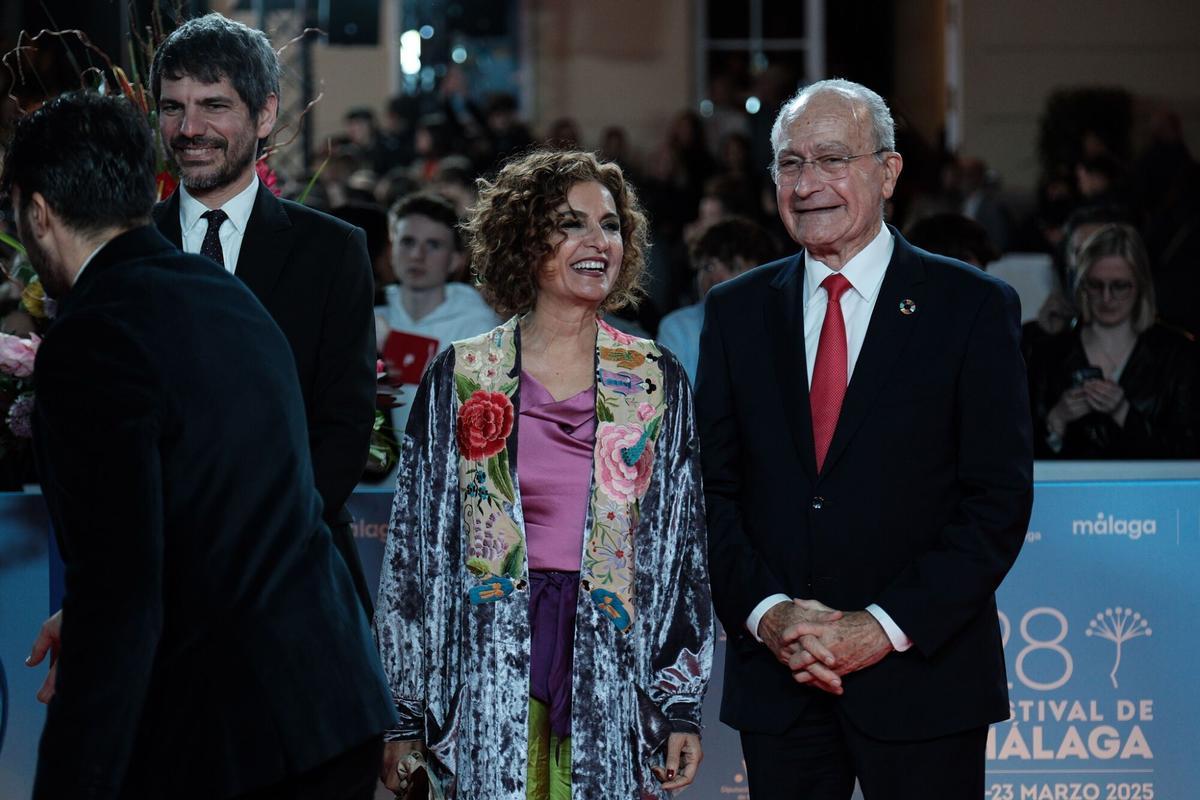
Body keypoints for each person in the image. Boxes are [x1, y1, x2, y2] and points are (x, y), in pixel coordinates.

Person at [6, 91, 396, 800]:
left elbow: (121, 595)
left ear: (36, 212)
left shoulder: (91, 337)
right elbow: (231, 508)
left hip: (239, 738)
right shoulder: (224, 295)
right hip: (331, 705)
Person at [695, 79, 1033, 799]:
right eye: (790, 164)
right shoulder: (735, 313)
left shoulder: (971, 308)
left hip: (923, 678)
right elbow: (710, 496)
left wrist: (880, 627)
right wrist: (771, 615)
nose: (808, 183)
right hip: (781, 680)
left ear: (888, 171)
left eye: (831, 159)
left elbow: (996, 503)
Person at [374, 149, 713, 799]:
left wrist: (678, 705)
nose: (597, 241)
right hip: (484, 662)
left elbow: (680, 557)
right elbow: (415, 557)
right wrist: (403, 715)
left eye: (610, 225)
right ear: (526, 239)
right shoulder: (466, 372)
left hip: (611, 667)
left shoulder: (653, 377)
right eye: (571, 223)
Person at [147, 13, 377, 614]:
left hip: (292, 580)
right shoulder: (123, 251)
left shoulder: (330, 252)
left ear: (266, 113)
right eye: (174, 107)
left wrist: (257, 547)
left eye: (214, 105)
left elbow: (343, 426)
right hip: (152, 583)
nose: (189, 128)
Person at [1027, 223, 1199, 458]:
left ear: (1140, 286)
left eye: (1119, 286)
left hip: (1154, 493)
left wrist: (1124, 414)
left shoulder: (1178, 355)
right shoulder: (1048, 353)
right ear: (1082, 285)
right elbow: (1015, 456)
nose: (1107, 298)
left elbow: (1188, 452)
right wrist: (1055, 422)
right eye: (1096, 285)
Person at [375, 191, 501, 438]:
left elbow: (474, 414)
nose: (417, 255)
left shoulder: (478, 326)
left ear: (455, 260)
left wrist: (390, 346)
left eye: (433, 245)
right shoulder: (368, 309)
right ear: (391, 250)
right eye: (407, 242)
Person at [658, 216, 779, 383]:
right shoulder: (678, 328)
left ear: (763, 273)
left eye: (732, 266)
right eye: (708, 267)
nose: (715, 277)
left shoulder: (781, 326)